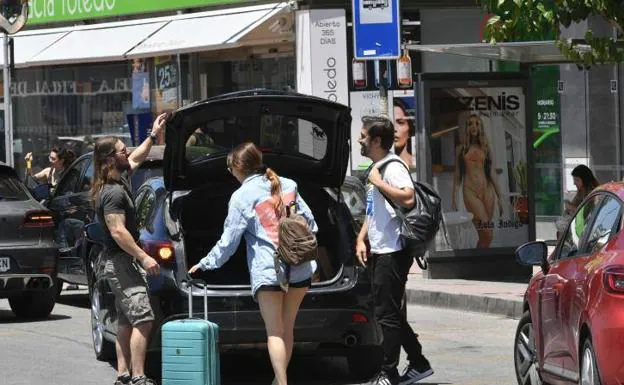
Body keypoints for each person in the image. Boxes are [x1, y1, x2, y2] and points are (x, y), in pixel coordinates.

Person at [188, 142, 317, 385]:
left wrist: (205, 263)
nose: (229, 173)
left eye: (229, 168)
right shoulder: (289, 184)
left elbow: (228, 242)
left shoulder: (242, 196)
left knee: (275, 333)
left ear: (237, 167)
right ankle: (279, 382)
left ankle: (282, 383)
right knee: (287, 329)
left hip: (269, 272)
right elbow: (311, 223)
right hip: (300, 267)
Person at [91, 113, 168, 385]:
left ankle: (123, 376)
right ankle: (138, 377)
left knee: (126, 320)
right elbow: (117, 231)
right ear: (111, 159)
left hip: (120, 262)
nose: (129, 153)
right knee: (143, 318)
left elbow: (139, 157)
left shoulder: (120, 177)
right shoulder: (111, 192)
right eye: (124, 150)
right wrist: (144, 257)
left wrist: (152, 133)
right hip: (121, 261)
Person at [355, 116, 433, 385]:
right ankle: (419, 362)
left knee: (386, 315)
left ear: (377, 140)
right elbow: (374, 210)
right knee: (390, 312)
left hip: (393, 249)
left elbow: (408, 197)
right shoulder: (378, 167)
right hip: (380, 248)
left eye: (363, 136)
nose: (359, 140)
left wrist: (378, 182)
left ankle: (388, 373)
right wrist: (361, 238)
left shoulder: (392, 167)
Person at [451, 113, 504, 249]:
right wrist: (454, 198)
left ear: (480, 127)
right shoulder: (461, 149)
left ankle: (479, 261)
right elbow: (457, 175)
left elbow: (492, 172)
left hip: (488, 192)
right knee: (488, 233)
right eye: (470, 124)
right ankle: (479, 260)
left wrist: (500, 197)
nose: (473, 126)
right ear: (467, 128)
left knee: (484, 235)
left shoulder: (486, 148)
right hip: (470, 192)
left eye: (476, 123)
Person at [555, 164, 600, 238]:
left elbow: (587, 214)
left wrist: (572, 208)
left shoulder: (593, 194)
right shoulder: (581, 191)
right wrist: (569, 208)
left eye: (577, 180)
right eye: (574, 180)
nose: (574, 183)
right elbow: (574, 205)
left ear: (585, 180)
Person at [393, 98, 416, 168]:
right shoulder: (376, 166)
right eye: (389, 123)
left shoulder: (419, 163)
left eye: (400, 122)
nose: (394, 128)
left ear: (410, 128)